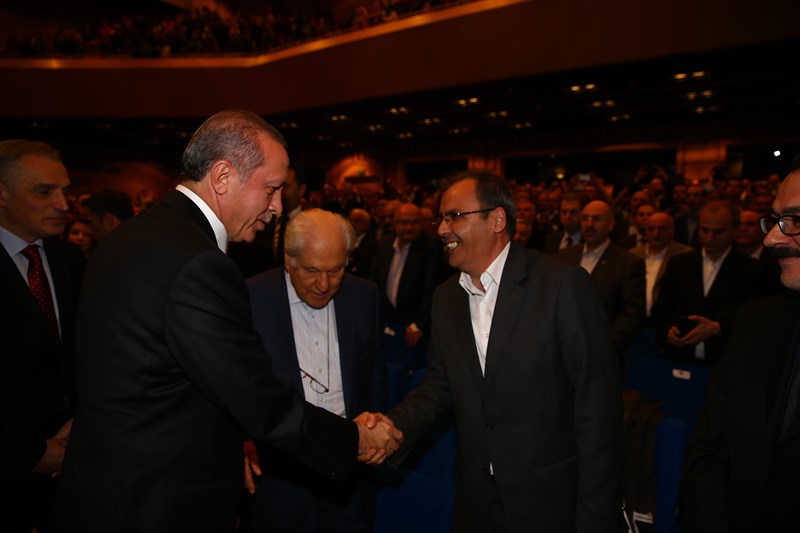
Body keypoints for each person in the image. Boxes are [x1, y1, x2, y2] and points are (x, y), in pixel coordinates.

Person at [52, 110, 400, 533]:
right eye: (271, 189)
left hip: (107, 486)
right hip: (155, 501)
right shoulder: (197, 262)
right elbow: (256, 397)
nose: (277, 207)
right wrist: (354, 439)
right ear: (222, 177)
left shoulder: (130, 237)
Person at [378, 171, 622, 532]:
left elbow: (597, 405)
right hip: (477, 502)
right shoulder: (445, 298)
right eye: (441, 218)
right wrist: (391, 427)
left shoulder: (560, 285)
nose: (442, 229)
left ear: (497, 219)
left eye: (454, 216)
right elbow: (440, 385)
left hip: (549, 500)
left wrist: (596, 517)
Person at [245, 208, 385, 533]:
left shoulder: (365, 295)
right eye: (311, 271)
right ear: (288, 260)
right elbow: (236, 385)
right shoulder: (250, 297)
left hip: (349, 474)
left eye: (335, 271)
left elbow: (374, 375)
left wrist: (375, 432)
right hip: (279, 475)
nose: (324, 284)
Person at [680, 166, 800, 531]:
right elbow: (709, 449)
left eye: (795, 220)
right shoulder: (758, 322)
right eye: (775, 221)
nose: (772, 239)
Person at [0, 139, 85, 533]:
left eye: (64, 190)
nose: (63, 204)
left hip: (71, 468)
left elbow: (85, 353)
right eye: (45, 191)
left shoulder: (70, 259)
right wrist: (31, 454)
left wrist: (79, 426)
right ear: (2, 195)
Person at [652, 200, 763, 366]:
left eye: (719, 232)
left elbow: (756, 320)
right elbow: (661, 309)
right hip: (680, 358)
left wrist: (719, 328)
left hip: (727, 361)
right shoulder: (679, 264)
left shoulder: (752, 270)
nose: (710, 238)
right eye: (704, 230)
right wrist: (669, 329)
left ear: (735, 230)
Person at [559, 200, 646, 358]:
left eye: (597, 219)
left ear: (611, 225)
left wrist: (601, 345)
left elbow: (632, 314)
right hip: (561, 348)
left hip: (602, 353)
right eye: (585, 218)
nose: (589, 224)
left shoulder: (628, 263)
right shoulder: (565, 255)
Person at [371, 202, 441, 350]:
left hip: (414, 328)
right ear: (395, 223)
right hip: (386, 321)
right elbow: (374, 281)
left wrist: (420, 324)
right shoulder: (384, 244)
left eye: (414, 222)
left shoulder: (431, 247)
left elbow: (432, 288)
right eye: (404, 222)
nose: (409, 227)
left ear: (422, 224)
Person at [630, 211, 692, 316]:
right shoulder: (633, 255)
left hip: (667, 317)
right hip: (636, 317)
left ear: (672, 230)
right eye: (651, 229)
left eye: (661, 229)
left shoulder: (685, 255)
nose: (656, 234)